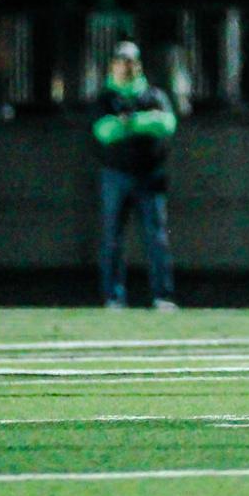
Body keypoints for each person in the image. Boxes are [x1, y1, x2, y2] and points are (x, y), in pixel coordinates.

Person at [92, 41, 179, 309]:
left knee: (156, 238)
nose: (126, 67)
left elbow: (166, 124)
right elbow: (104, 131)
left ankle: (162, 295)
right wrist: (143, 122)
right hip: (115, 176)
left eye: (130, 62)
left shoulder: (153, 94)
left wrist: (129, 123)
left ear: (138, 65)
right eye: (121, 61)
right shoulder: (105, 98)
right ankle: (113, 296)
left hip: (149, 176)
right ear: (113, 65)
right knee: (113, 238)